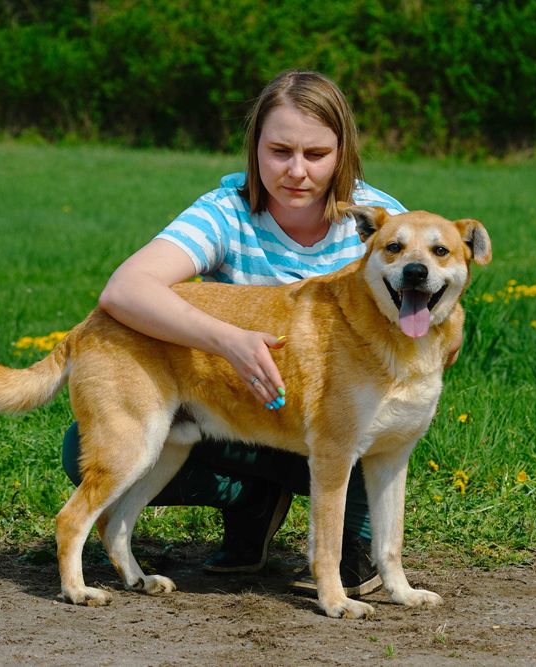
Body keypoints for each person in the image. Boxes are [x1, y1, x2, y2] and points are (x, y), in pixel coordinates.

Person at [62, 70, 410, 598]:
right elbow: (124, 289)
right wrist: (230, 339)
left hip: (340, 425)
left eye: (316, 154)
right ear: (255, 148)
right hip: (237, 411)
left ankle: (312, 525)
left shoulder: (388, 229)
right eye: (279, 151)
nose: (296, 171)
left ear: (342, 153)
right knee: (88, 451)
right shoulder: (226, 210)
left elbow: (434, 298)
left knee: (357, 549)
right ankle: (251, 501)